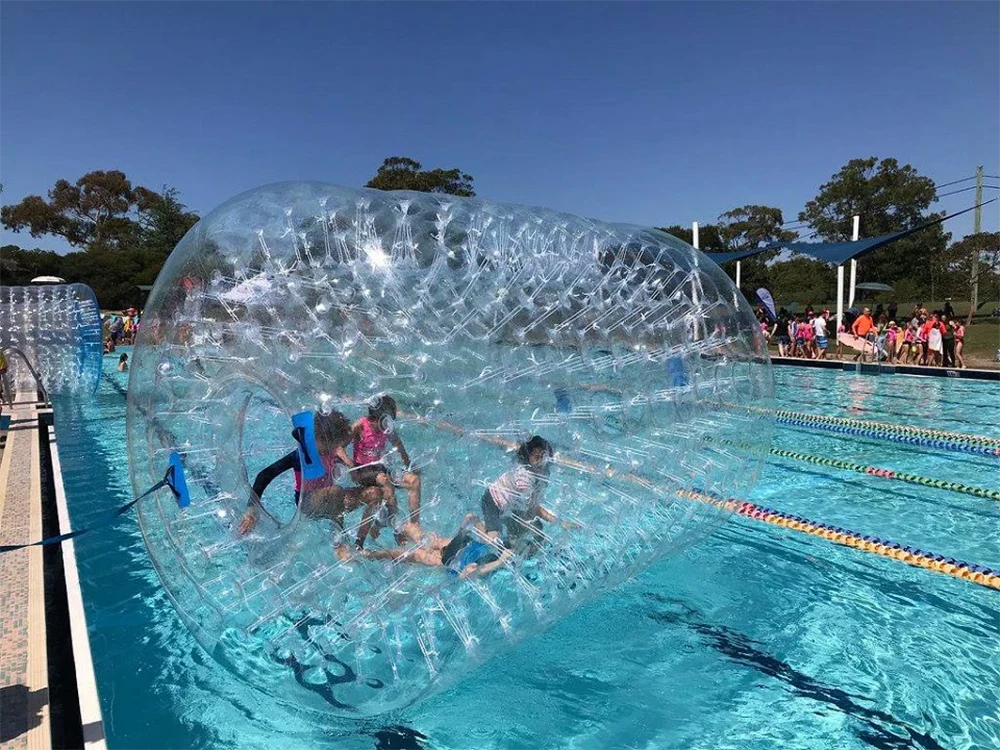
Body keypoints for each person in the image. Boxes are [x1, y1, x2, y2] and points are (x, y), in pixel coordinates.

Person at [238, 411, 383, 554]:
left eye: (336, 446)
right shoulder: (302, 456)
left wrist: (349, 463)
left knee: (375, 493)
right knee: (336, 491)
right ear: (316, 437)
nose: (333, 450)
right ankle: (339, 543)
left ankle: (359, 545)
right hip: (308, 503)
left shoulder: (333, 452)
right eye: (331, 445)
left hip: (332, 499)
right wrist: (252, 509)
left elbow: (356, 478)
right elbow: (264, 475)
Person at [362, 515, 513, 579]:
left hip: (452, 562)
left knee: (416, 554)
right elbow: (475, 523)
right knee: (422, 538)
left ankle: (373, 555)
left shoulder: (495, 562)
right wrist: (472, 523)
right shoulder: (494, 547)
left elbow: (466, 574)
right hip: (462, 543)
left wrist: (500, 562)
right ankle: (383, 522)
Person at [351, 395, 422, 527]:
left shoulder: (386, 428)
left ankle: (415, 524)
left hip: (379, 469)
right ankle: (396, 526)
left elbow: (398, 444)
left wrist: (409, 464)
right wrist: (349, 467)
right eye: (386, 419)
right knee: (385, 480)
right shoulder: (360, 426)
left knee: (414, 481)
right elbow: (339, 446)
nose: (387, 424)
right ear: (377, 417)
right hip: (363, 470)